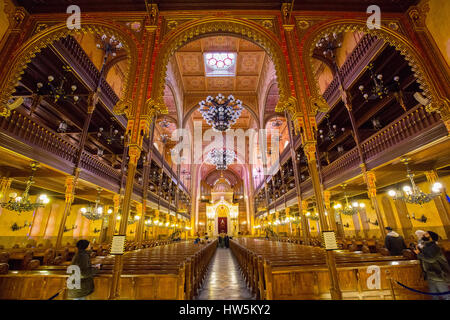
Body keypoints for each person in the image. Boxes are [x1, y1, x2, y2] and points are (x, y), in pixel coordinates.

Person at [413, 231, 450, 300]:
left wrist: (419, 253)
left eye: (426, 234)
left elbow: (431, 259)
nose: (423, 235)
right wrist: (419, 251)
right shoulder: (427, 246)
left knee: (446, 296)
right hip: (430, 274)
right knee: (434, 296)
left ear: (431, 237)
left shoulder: (434, 247)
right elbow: (425, 257)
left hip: (438, 275)